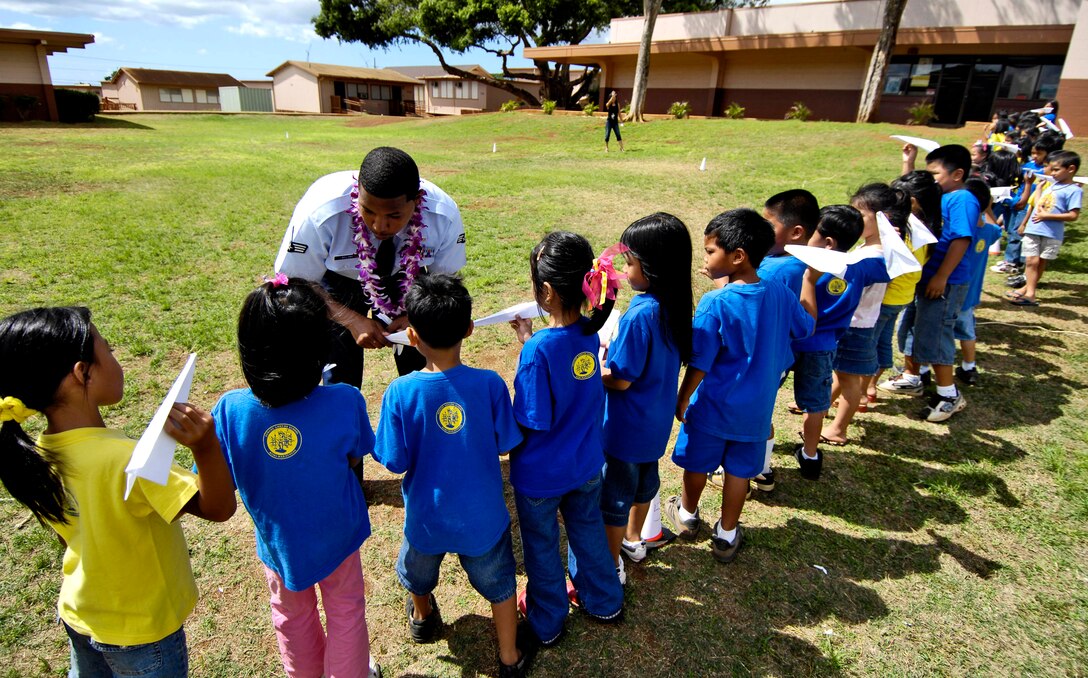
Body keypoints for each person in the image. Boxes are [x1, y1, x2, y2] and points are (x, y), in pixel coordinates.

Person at [0, 307, 236, 676]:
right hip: (143, 631)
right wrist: (205, 446)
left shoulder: (35, 454)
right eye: (108, 350)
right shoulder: (124, 460)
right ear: (83, 373)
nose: (115, 359)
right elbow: (218, 508)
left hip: (81, 613)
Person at [211, 278, 381, 678]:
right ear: (320, 350)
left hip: (279, 543)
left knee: (290, 613)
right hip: (338, 534)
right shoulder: (345, 400)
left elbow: (222, 479)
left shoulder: (230, 410)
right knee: (345, 610)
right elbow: (356, 456)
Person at [373, 275, 533, 678]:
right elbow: (505, 443)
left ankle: (423, 619)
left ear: (411, 336)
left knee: (418, 572)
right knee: (499, 583)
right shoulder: (490, 384)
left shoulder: (400, 392)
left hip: (426, 516)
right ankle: (510, 657)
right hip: (482, 516)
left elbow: (393, 462)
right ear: (468, 329)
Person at [665, 209, 816, 563]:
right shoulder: (778, 291)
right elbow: (804, 327)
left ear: (737, 256)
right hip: (757, 411)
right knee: (738, 472)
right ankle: (727, 532)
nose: (704, 258)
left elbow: (700, 360)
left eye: (710, 251)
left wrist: (683, 396)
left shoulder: (714, 303)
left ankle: (687, 514)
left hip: (713, 407)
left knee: (698, 463)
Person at [508, 232, 625, 647]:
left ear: (545, 291)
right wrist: (529, 341)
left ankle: (548, 621)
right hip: (586, 465)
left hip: (541, 476)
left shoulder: (539, 350)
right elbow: (564, 368)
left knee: (541, 547)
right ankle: (604, 600)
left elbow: (533, 419)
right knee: (587, 530)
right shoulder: (588, 333)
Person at [274, 146, 466, 386]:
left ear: (417, 201)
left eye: (394, 216)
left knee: (423, 365)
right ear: (357, 195)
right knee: (340, 375)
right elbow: (295, 284)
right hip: (337, 280)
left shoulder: (443, 214)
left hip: (408, 277)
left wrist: (415, 316)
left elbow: (446, 283)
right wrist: (351, 320)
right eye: (368, 211)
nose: (379, 225)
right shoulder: (320, 212)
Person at [599, 213, 692, 582]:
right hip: (655, 422)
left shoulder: (641, 313)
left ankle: (610, 564)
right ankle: (634, 540)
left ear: (650, 267)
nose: (624, 270)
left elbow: (620, 381)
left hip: (625, 427)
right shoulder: (674, 304)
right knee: (644, 484)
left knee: (615, 497)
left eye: (629, 263)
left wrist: (596, 367)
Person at [894, 145, 980, 422]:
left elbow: (961, 239)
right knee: (912, 327)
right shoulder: (941, 195)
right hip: (924, 277)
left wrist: (942, 276)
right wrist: (909, 163)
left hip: (945, 282)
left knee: (935, 334)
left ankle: (949, 394)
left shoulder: (962, 199)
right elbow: (908, 195)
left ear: (957, 174)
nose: (931, 181)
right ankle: (912, 376)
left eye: (935, 174)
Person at [787, 206, 876, 472]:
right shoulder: (859, 269)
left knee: (768, 393)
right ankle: (811, 455)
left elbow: (802, 312)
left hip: (793, 342)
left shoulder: (805, 269)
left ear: (827, 243)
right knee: (815, 405)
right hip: (824, 348)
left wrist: (807, 280)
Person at [820, 185, 904, 447]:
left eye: (860, 215)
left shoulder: (874, 256)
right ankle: (821, 406)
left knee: (848, 379)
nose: (853, 220)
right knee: (841, 372)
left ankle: (838, 428)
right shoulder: (872, 249)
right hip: (857, 321)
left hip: (856, 324)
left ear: (883, 220)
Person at [753, 189, 820, 492]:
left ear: (796, 232)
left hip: (761, 359)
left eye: (770, 226)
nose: (762, 232)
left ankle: (759, 469)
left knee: (756, 414)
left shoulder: (783, 271)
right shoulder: (787, 263)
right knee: (761, 411)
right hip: (776, 358)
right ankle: (761, 467)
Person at [1007, 150, 1082, 306]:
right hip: (1034, 229)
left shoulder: (1074, 190)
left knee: (1040, 262)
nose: (1051, 173)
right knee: (1031, 261)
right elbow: (1040, 204)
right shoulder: (1052, 185)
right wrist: (1039, 188)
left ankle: (1029, 291)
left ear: (1071, 169)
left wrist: (1047, 217)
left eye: (1056, 169)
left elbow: (1073, 215)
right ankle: (1029, 292)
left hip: (1051, 232)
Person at [954, 179, 1002, 385]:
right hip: (970, 294)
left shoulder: (958, 229)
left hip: (949, 291)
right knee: (967, 332)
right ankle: (968, 367)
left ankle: (925, 369)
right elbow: (996, 228)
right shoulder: (988, 231)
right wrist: (989, 208)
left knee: (940, 332)